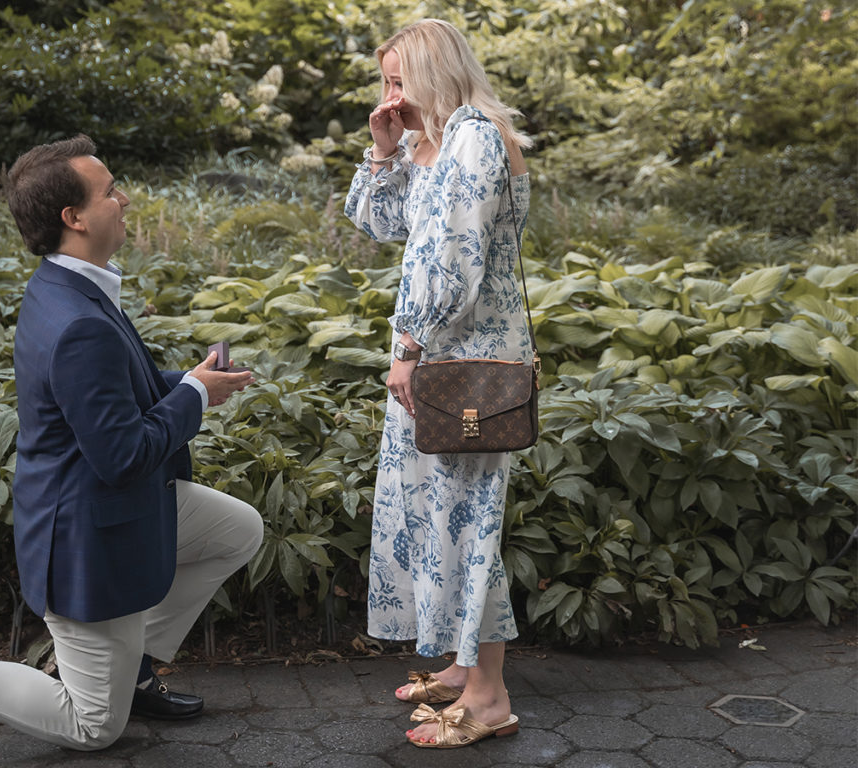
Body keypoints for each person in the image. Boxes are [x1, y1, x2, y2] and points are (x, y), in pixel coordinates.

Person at [0, 135, 264, 752]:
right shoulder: (80, 319)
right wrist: (190, 397)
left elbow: (102, 399)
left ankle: (130, 663)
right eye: (110, 192)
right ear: (73, 218)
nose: (124, 199)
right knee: (93, 728)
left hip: (113, 505)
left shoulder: (69, 285)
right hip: (87, 537)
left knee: (238, 530)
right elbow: (124, 454)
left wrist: (190, 383)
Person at [344, 19, 533, 749]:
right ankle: (461, 666)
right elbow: (380, 224)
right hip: (440, 362)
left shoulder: (476, 138)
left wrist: (410, 344)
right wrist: (385, 149)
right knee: (438, 520)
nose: (390, 94)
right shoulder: (439, 141)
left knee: (468, 525)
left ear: (435, 73)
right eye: (385, 81)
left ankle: (490, 698)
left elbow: (454, 260)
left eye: (400, 81)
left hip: (463, 369)